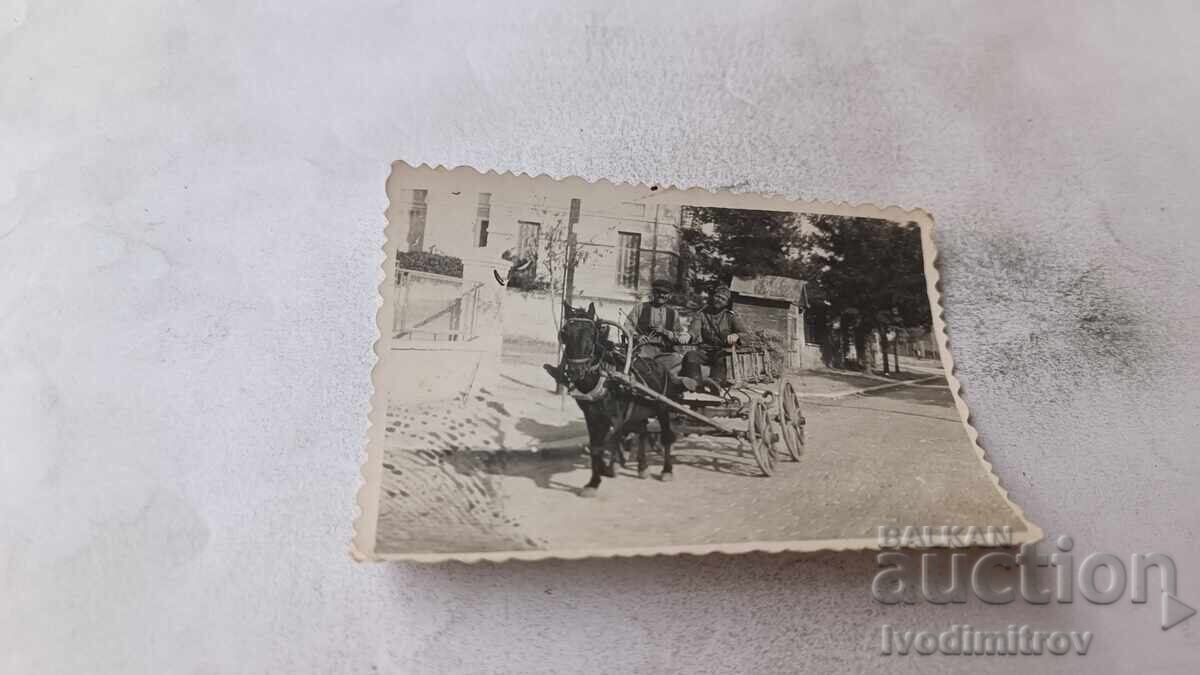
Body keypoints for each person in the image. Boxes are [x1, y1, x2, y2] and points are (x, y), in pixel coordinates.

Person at [680, 285, 744, 393]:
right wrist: (688, 335)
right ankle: (696, 384)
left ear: (727, 303)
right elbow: (694, 329)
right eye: (717, 296)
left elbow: (745, 333)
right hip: (705, 351)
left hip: (722, 352)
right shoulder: (702, 314)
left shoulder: (731, 317)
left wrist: (737, 336)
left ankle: (715, 384)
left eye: (723, 299)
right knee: (690, 355)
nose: (719, 300)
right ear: (713, 297)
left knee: (722, 359)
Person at [623, 279, 692, 372]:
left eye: (665, 293)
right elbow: (627, 326)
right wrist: (637, 336)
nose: (661, 295)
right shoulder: (640, 308)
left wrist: (665, 332)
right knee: (639, 368)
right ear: (653, 293)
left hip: (665, 352)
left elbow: (679, 335)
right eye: (658, 292)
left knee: (679, 364)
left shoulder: (673, 313)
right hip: (643, 349)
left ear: (670, 295)